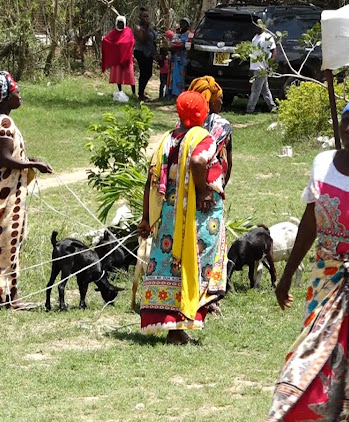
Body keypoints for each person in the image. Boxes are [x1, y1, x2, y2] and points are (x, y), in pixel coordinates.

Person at [267, 97, 349, 421]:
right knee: (312, 352)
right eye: (346, 120)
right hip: (326, 279)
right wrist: (287, 274)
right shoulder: (322, 163)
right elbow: (310, 221)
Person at [137, 91, 227, 345]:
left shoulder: (168, 140)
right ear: (204, 113)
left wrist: (146, 218)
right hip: (194, 214)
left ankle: (173, 328)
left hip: (168, 216)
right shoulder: (203, 138)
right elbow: (199, 161)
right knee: (195, 262)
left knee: (169, 263)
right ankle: (180, 326)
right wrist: (204, 190)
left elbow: (151, 179)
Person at [0, 71, 53, 309]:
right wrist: (35, 165)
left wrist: (26, 158)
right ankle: (2, 296)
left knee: (5, 240)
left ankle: (6, 295)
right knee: (3, 241)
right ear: (5, 96)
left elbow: (9, 155)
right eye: (16, 92)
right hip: (3, 194)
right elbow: (4, 159)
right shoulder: (3, 122)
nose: (20, 96)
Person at [187, 76, 233, 187]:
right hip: (210, 187)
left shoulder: (183, 123)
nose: (221, 102)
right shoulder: (222, 125)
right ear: (212, 102)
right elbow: (229, 163)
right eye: (220, 98)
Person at [246, 24, 277, 114]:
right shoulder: (255, 38)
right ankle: (273, 107)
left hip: (263, 67)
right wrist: (251, 68)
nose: (256, 27)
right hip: (255, 67)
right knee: (264, 89)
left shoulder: (267, 37)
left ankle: (250, 109)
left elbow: (274, 52)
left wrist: (269, 66)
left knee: (256, 89)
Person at [101, 15, 136, 96]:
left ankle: (134, 93)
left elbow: (130, 42)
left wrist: (119, 45)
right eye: (119, 23)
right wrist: (115, 46)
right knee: (118, 76)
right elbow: (106, 40)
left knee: (130, 76)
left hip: (127, 59)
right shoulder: (114, 32)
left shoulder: (128, 31)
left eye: (122, 23)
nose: (120, 25)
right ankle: (120, 91)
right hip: (117, 59)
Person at [133, 8, 158, 102]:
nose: (146, 18)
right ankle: (140, 95)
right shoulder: (138, 28)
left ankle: (142, 92)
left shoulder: (151, 28)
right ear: (140, 18)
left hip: (149, 53)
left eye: (147, 16)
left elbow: (153, 40)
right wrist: (147, 28)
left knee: (148, 73)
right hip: (141, 52)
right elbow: (143, 39)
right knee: (144, 73)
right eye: (144, 16)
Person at [166, 18, 191, 99]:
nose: (182, 25)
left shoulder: (188, 34)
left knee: (180, 77)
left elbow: (185, 45)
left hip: (182, 60)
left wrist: (176, 47)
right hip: (175, 59)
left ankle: (179, 94)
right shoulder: (178, 34)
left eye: (184, 24)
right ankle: (171, 93)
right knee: (173, 76)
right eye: (181, 23)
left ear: (187, 25)